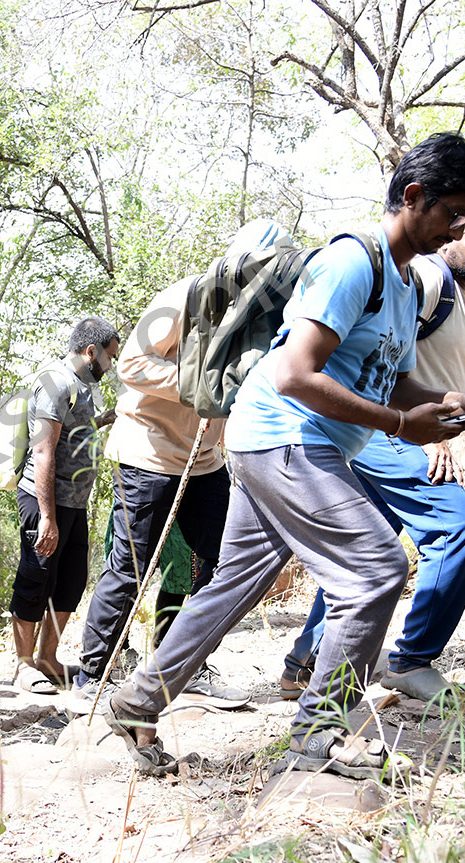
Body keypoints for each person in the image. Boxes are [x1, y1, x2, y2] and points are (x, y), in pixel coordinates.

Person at [101, 132, 465, 780]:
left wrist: (450, 405)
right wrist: (403, 425)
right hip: (281, 433)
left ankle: (138, 700)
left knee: (236, 583)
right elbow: (294, 374)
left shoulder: (406, 286)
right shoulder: (354, 262)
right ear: (413, 195)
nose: (460, 230)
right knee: (375, 568)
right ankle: (320, 734)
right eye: (454, 214)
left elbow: (388, 381)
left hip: (286, 441)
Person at [279, 200, 465, 702]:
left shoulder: (463, 295)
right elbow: (385, 359)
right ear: (451, 233)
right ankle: (412, 660)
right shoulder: (426, 280)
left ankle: (305, 661)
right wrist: (429, 433)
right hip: (390, 430)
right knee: (457, 526)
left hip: (396, 432)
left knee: (366, 549)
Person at [77, 230, 304, 709]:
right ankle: (93, 674)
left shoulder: (270, 311)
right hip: (148, 453)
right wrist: (201, 382)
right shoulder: (185, 297)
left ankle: (180, 665)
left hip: (206, 460)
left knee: (213, 565)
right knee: (132, 568)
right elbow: (132, 365)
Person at [9, 317, 119, 695]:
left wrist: (106, 420)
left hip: (74, 503)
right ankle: (23, 666)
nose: (111, 365)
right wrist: (47, 517)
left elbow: (74, 434)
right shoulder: (56, 383)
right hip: (45, 502)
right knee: (35, 578)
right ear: (91, 352)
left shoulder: (81, 386)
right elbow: (43, 450)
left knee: (71, 580)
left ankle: (47, 659)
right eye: (109, 357)